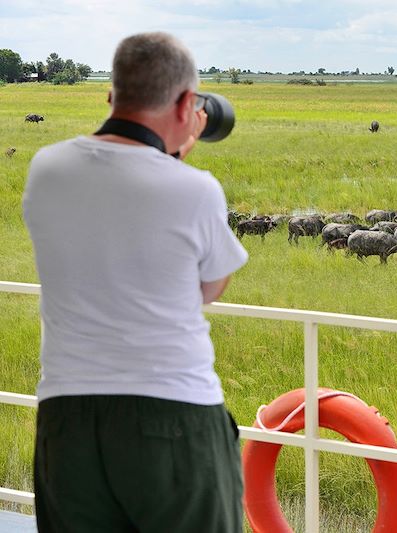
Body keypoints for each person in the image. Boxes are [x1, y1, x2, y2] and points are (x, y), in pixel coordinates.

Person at [23, 32, 248, 532]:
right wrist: (175, 162)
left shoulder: (46, 169)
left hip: (67, 419)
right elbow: (208, 289)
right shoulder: (194, 189)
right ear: (189, 103)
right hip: (173, 415)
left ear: (111, 95)